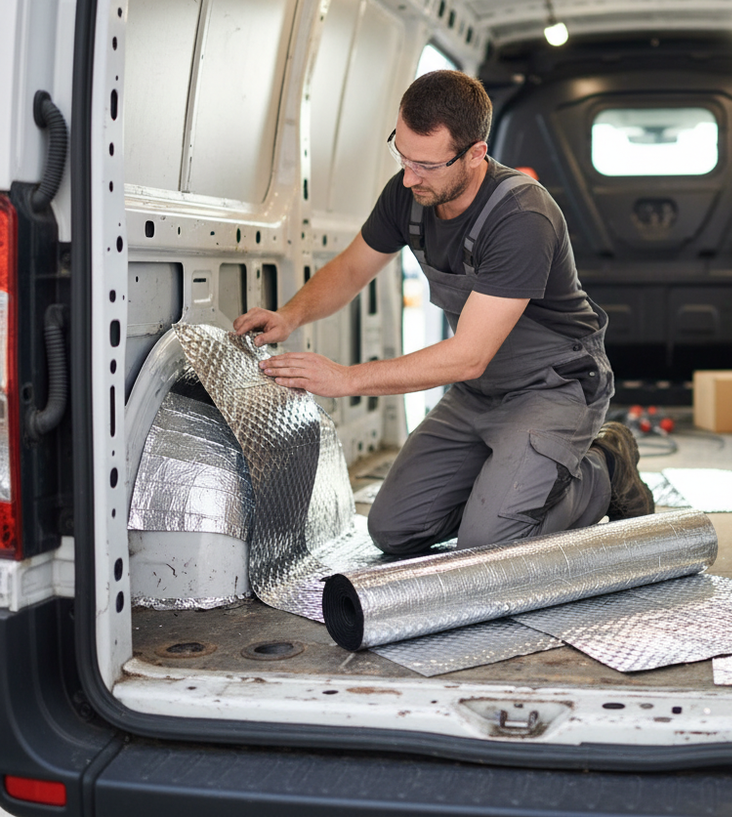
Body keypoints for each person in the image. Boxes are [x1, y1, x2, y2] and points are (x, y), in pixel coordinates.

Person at [234, 69, 654, 554]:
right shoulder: (409, 194)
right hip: (480, 391)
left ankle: (606, 467)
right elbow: (350, 270)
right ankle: (504, 487)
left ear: (476, 154)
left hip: (552, 386)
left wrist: (346, 379)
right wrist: (290, 316)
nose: (409, 176)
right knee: (393, 530)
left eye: (427, 165)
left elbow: (469, 355)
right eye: (402, 154)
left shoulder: (521, 216)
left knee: (488, 545)